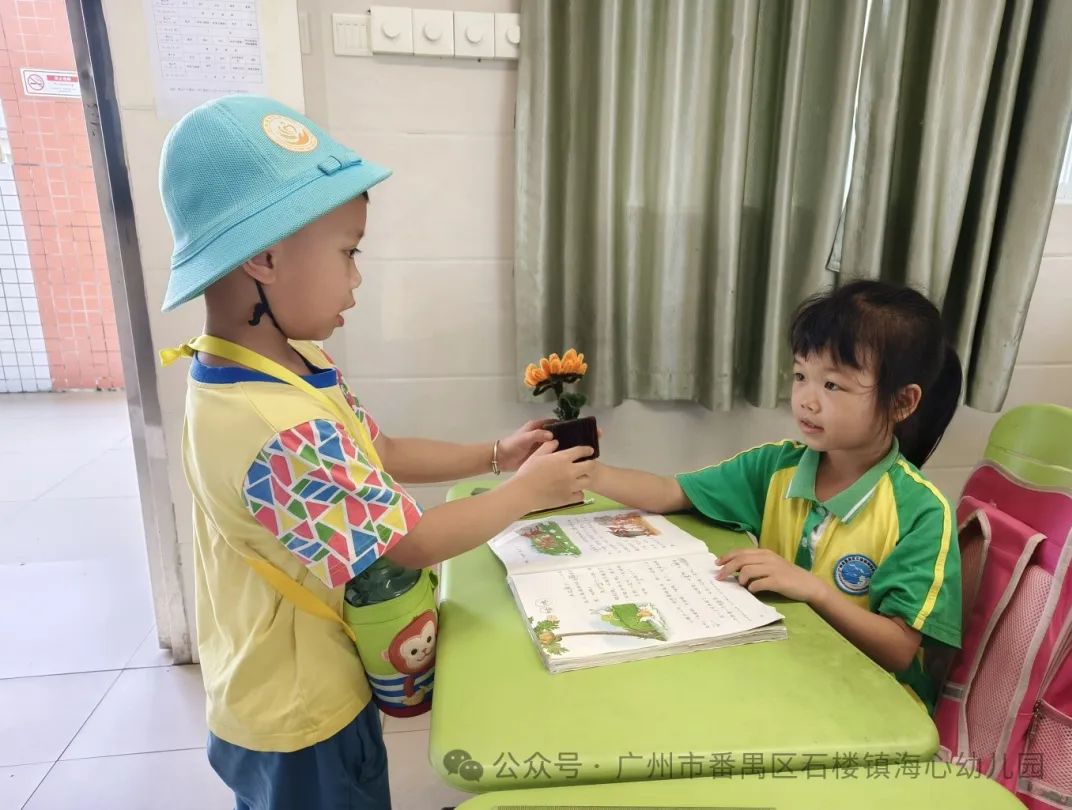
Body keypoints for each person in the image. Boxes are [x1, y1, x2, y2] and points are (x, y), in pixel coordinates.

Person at [157, 95, 595, 809]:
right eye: (347, 252)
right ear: (266, 258)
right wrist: (527, 493)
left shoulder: (282, 370)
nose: (356, 278)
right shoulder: (275, 424)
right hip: (299, 715)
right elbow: (409, 543)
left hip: (287, 681)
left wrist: (495, 454)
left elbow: (379, 450)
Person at [591, 280, 963, 711]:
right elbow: (670, 491)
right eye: (801, 376)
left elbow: (899, 648)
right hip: (787, 671)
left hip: (874, 704)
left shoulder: (921, 511)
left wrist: (813, 590)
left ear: (901, 403)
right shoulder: (774, 467)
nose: (807, 400)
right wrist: (589, 473)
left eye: (833, 386)